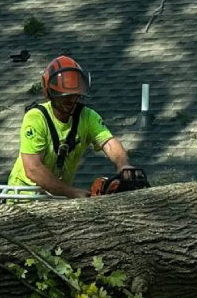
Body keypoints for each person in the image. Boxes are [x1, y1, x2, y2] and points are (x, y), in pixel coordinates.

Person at [8, 55, 134, 198]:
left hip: (58, 197)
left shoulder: (87, 116)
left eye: (74, 95)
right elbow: (33, 169)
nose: (71, 100)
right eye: (64, 96)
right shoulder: (36, 118)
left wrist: (123, 165)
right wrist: (72, 192)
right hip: (25, 197)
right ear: (50, 94)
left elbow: (109, 143)